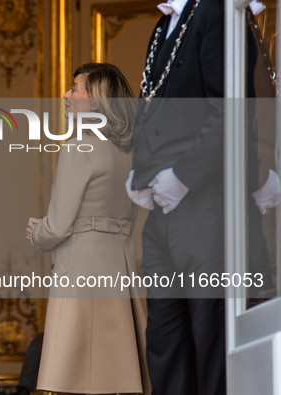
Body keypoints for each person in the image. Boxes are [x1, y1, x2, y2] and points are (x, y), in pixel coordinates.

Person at [127, 1, 279, 394]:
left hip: (208, 205)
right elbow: (151, 110)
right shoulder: (162, 26)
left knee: (211, 346)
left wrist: (181, 178)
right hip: (163, 214)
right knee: (165, 346)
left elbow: (228, 112)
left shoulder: (216, 11)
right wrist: (140, 177)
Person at [26, 63, 150, 395]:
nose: (66, 95)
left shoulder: (79, 145)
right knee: (117, 378)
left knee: (73, 380)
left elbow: (57, 226)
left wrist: (38, 233)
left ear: (95, 101)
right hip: (121, 266)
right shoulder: (133, 151)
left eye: (75, 88)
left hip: (81, 268)